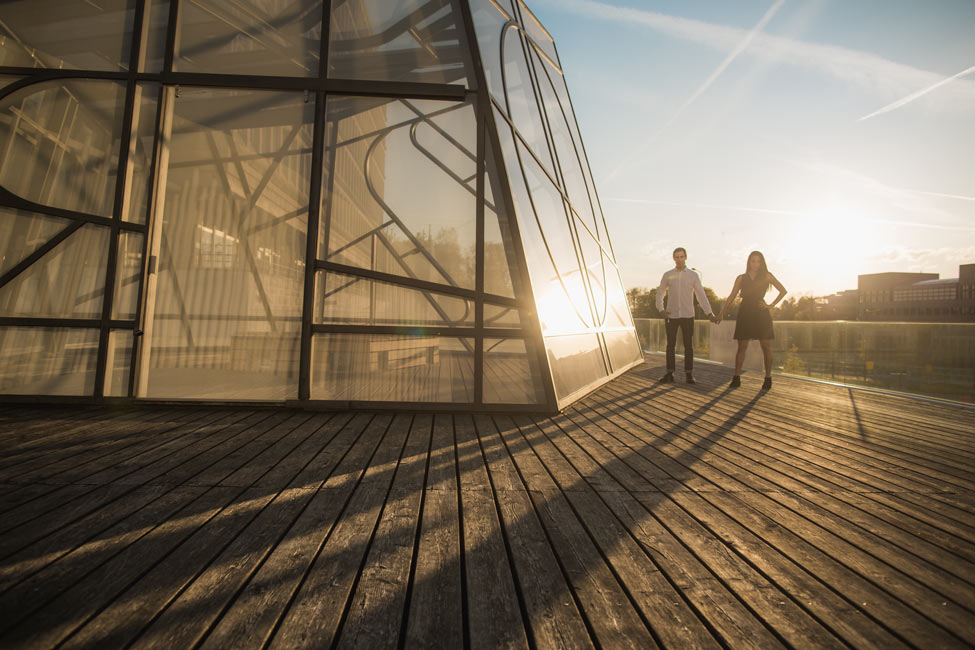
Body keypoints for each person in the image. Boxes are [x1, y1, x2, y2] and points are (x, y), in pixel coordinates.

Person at [714, 250, 787, 389]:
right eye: (753, 261)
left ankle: (768, 378)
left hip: (761, 313)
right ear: (749, 262)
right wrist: (721, 313)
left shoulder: (767, 276)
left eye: (758, 261)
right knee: (742, 347)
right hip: (745, 313)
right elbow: (731, 296)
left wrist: (770, 305)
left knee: (766, 347)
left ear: (762, 262)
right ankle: (736, 378)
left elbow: (783, 291)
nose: (756, 264)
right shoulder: (741, 278)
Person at [656, 247, 716, 384]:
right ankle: (669, 374)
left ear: (685, 257)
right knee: (670, 346)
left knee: (688, 346)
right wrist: (661, 309)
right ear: (673, 258)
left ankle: (689, 374)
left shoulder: (693, 275)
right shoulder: (667, 275)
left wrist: (709, 313)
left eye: (681, 256)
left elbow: (701, 295)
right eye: (676, 257)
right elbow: (660, 293)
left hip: (688, 315)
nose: (679, 259)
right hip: (671, 315)